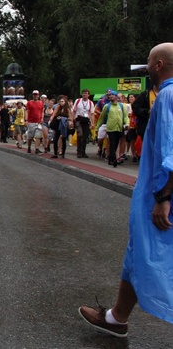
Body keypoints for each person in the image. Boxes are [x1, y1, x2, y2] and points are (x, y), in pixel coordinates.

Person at [79, 42, 173, 338]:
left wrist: (163, 198)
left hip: (161, 195)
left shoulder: (169, 96)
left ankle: (117, 317)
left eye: (148, 61)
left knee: (153, 253)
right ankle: (116, 317)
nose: (145, 67)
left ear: (158, 64)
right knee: (138, 252)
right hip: (156, 191)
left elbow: (172, 152)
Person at [96, 90, 129, 167]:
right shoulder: (107, 106)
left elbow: (125, 116)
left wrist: (127, 123)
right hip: (111, 128)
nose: (110, 96)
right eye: (110, 95)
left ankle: (111, 158)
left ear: (116, 97)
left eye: (112, 95)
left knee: (116, 144)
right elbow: (101, 117)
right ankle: (114, 160)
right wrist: (97, 127)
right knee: (112, 143)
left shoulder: (121, 106)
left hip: (119, 128)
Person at [72, 89, 95, 158]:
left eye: (86, 93)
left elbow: (92, 113)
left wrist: (92, 123)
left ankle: (83, 151)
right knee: (80, 134)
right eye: (83, 93)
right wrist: (72, 120)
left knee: (85, 136)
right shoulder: (78, 101)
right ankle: (79, 151)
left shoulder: (90, 103)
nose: (84, 95)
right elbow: (74, 110)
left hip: (86, 120)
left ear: (88, 95)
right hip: (78, 119)